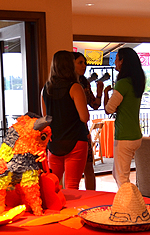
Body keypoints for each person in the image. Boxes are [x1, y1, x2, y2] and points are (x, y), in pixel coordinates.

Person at [41, 50, 90, 189]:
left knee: (53, 186)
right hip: (75, 140)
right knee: (72, 185)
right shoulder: (75, 87)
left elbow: (45, 119)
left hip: (54, 142)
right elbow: (84, 117)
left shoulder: (45, 89)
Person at [103, 47, 145, 187]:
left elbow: (109, 109)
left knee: (122, 178)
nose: (115, 62)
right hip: (135, 135)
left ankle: (129, 201)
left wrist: (105, 93)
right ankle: (129, 198)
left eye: (116, 59)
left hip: (124, 136)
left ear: (122, 61)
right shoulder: (136, 82)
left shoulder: (123, 84)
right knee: (117, 174)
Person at [74, 52, 103, 190]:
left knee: (88, 167)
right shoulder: (68, 85)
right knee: (73, 172)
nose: (84, 66)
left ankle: (92, 197)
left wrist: (100, 92)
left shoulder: (84, 82)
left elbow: (95, 105)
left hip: (83, 129)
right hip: (71, 130)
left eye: (84, 63)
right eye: (80, 63)